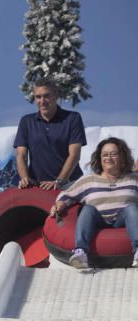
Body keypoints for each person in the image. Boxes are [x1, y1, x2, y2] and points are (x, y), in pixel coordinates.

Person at [51, 137, 138, 269]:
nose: (109, 158)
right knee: (88, 209)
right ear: (99, 158)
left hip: (123, 220)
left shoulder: (133, 179)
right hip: (98, 220)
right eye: (105, 154)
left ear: (122, 157)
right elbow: (67, 195)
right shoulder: (89, 180)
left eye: (114, 154)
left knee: (131, 208)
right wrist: (60, 204)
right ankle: (81, 252)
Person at [15, 79, 86, 190]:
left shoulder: (73, 119)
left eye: (46, 96)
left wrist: (59, 181)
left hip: (69, 185)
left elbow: (74, 155)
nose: (42, 101)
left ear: (56, 96)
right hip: (37, 187)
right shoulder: (26, 122)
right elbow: (21, 155)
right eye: (38, 97)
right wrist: (25, 178)